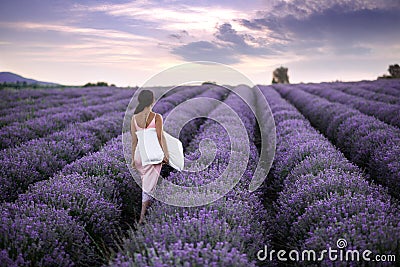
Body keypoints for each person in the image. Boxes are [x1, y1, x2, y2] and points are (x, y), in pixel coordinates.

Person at [130, 90, 169, 224]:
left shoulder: (134, 118)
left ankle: (149, 210)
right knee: (147, 188)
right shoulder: (156, 117)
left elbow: (134, 141)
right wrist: (165, 154)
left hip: (139, 155)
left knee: (146, 184)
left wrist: (132, 159)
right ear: (152, 101)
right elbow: (159, 137)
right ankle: (142, 218)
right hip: (151, 156)